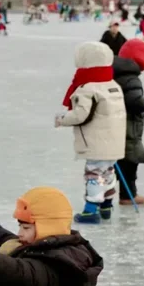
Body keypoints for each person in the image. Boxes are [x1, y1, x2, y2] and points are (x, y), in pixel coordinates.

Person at [55, 41, 127, 224]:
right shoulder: (112, 84)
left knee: (94, 174)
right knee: (107, 172)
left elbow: (81, 115)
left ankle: (91, 210)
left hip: (96, 142)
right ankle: (106, 205)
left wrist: (62, 118)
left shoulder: (87, 88)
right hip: (114, 141)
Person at [113, 39, 144, 205]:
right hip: (128, 126)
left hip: (115, 123)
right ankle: (128, 195)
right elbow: (135, 103)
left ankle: (104, 197)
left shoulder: (115, 72)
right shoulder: (131, 78)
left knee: (117, 161)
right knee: (130, 161)